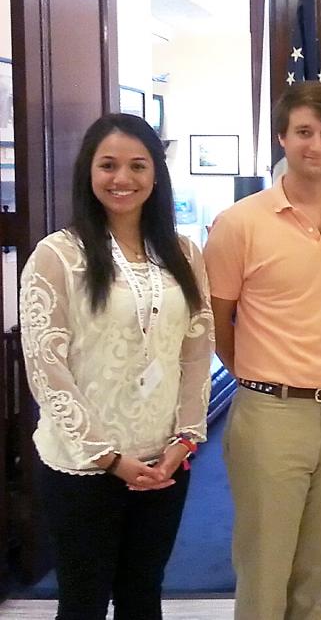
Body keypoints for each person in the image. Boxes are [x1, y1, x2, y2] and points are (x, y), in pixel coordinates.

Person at [18, 113, 213, 619]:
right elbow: (46, 369)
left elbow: (196, 348)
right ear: (89, 171)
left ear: (155, 175)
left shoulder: (183, 252)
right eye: (108, 165)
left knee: (142, 595)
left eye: (136, 165)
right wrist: (107, 458)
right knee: (83, 602)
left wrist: (186, 439)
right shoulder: (56, 256)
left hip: (163, 460)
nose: (121, 178)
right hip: (84, 465)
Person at [203, 81, 321, 620]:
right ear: (283, 137)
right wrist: (264, 376)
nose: (317, 145)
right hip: (270, 414)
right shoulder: (240, 223)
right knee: (264, 569)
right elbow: (218, 321)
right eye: (304, 132)